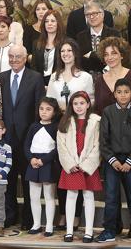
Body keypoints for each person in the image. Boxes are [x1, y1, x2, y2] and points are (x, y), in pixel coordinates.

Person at [0, 44, 45, 230]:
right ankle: (10, 216)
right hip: (6, 137)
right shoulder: (1, 78)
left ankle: (28, 218)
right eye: (11, 56)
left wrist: (33, 136)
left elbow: (38, 109)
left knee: (27, 182)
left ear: (25, 58)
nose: (14, 60)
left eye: (18, 56)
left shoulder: (36, 78)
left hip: (27, 139)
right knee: (7, 180)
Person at [96, 78, 131, 245]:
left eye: (126, 92)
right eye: (119, 92)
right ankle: (110, 230)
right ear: (114, 94)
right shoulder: (108, 112)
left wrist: (130, 161)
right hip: (113, 161)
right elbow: (103, 140)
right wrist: (113, 160)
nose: (123, 95)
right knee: (111, 196)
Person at [57, 91, 102, 243]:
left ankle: (89, 231)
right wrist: (70, 163)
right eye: (75, 104)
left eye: (82, 103)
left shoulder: (96, 121)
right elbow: (61, 146)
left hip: (88, 165)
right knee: (71, 196)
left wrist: (86, 164)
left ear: (88, 104)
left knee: (88, 196)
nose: (79, 106)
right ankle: (69, 231)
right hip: (72, 165)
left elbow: (98, 146)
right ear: (71, 106)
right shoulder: (66, 121)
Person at [24, 97, 61, 237]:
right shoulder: (33, 126)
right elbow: (26, 145)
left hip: (48, 164)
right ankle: (36, 224)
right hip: (33, 163)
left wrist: (43, 160)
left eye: (48, 109)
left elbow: (57, 148)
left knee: (49, 196)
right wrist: (31, 158)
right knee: (34, 196)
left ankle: (49, 225)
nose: (44, 112)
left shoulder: (56, 127)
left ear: (54, 111)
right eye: (41, 109)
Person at [94, 37, 131, 115]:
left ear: (121, 55)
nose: (110, 57)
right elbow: (97, 109)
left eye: (114, 53)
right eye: (106, 54)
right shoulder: (99, 80)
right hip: (107, 125)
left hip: (130, 124)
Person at [46, 38, 94, 111]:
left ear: (75, 53)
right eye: (62, 51)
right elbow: (49, 100)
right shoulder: (54, 76)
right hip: (58, 119)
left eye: (69, 50)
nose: (65, 54)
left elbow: (91, 101)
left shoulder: (86, 77)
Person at [75, 2, 120, 77]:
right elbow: (79, 60)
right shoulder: (80, 36)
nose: (91, 17)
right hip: (86, 77)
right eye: (88, 15)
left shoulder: (114, 34)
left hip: (110, 75)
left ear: (102, 14)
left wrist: (91, 55)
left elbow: (116, 57)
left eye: (95, 13)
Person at [32, 9, 66, 85]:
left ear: (58, 23)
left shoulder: (65, 43)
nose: (49, 24)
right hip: (39, 83)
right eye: (46, 21)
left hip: (59, 82)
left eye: (53, 21)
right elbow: (33, 66)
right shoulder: (36, 43)